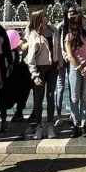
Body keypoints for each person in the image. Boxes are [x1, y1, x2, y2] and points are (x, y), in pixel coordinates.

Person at [24, 9, 63, 139]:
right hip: (40, 69)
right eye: (45, 15)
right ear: (40, 19)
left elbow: (59, 49)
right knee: (38, 98)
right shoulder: (34, 35)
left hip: (52, 68)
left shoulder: (54, 30)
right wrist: (34, 75)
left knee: (51, 95)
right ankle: (39, 126)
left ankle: (50, 125)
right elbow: (31, 59)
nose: (48, 16)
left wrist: (61, 65)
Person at [65, 13, 86, 138]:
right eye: (83, 19)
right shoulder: (69, 37)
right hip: (75, 68)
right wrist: (81, 68)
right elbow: (70, 55)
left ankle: (83, 124)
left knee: (85, 98)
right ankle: (75, 125)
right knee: (75, 98)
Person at [54, 4, 79, 129]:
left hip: (73, 61)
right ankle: (58, 115)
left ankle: (73, 114)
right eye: (70, 12)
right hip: (62, 62)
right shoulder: (60, 27)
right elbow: (57, 44)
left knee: (73, 88)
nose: (72, 14)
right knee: (60, 88)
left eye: (74, 11)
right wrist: (62, 55)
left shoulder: (77, 26)